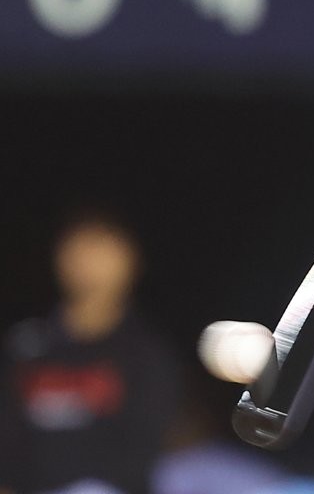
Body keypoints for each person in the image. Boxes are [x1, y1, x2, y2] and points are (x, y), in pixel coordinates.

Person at [0, 208, 181, 494]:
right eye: (78, 245)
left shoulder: (147, 354)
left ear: (131, 259)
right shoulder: (24, 345)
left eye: (101, 245)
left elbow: (144, 453)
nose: (87, 259)